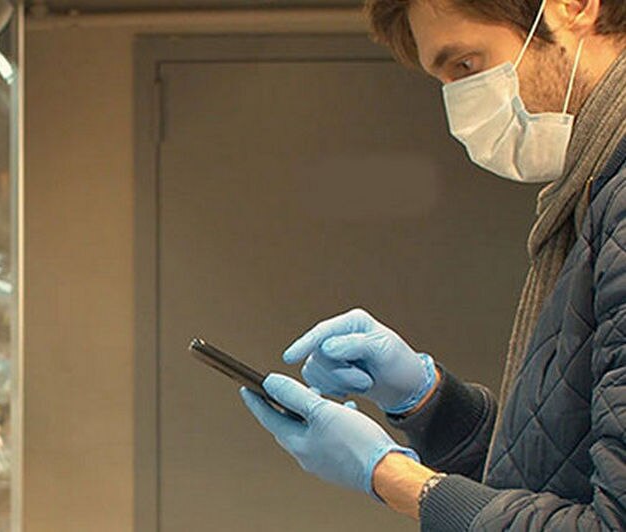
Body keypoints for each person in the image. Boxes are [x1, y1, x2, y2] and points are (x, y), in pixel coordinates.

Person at [239, 0, 626, 529]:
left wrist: (392, 477)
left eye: (466, 64)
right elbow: (554, 473)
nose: (463, 107)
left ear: (573, 7)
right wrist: (429, 403)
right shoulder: (592, 192)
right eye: (445, 80)